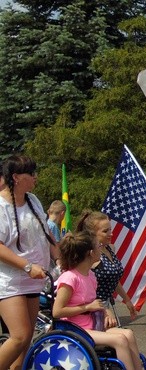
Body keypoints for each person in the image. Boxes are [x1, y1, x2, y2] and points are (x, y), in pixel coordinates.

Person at [0, 155, 58, 370]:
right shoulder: (1, 206)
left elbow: (46, 235)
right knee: (19, 336)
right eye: (31, 174)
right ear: (15, 177)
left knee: (25, 343)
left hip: (34, 280)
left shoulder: (32, 200)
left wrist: (59, 258)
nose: (36, 177)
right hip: (10, 281)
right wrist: (27, 266)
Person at [53, 232, 143, 370]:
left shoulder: (90, 275)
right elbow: (57, 311)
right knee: (120, 340)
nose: (101, 249)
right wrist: (87, 307)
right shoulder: (69, 278)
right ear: (90, 253)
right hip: (74, 328)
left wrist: (105, 311)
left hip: (91, 325)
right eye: (98, 246)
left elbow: (94, 301)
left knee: (128, 334)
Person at [76, 210, 137, 328]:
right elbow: (82, 285)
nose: (111, 233)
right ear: (92, 234)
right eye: (105, 231)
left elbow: (113, 278)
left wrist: (127, 300)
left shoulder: (109, 248)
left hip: (105, 305)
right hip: (91, 308)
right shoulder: (90, 254)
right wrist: (102, 310)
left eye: (110, 229)